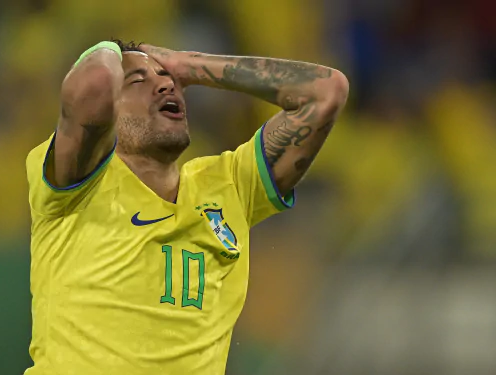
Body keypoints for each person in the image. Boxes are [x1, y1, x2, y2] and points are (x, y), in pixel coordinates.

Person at [24, 39, 348, 375]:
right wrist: (109, 47)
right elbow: (93, 86)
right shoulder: (75, 184)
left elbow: (325, 91)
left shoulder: (231, 184)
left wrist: (188, 65)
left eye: (169, 79)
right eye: (138, 80)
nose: (166, 84)